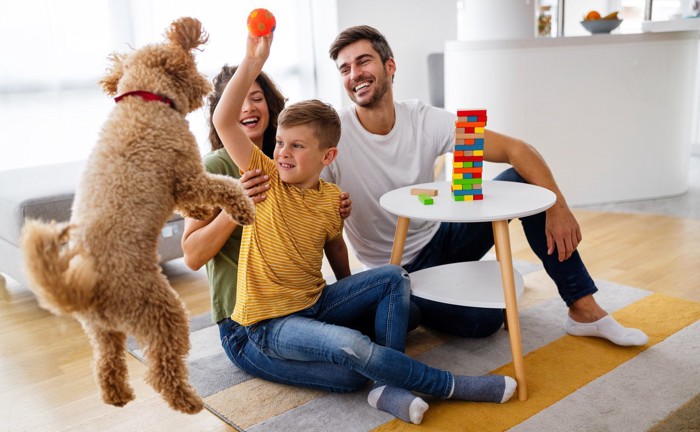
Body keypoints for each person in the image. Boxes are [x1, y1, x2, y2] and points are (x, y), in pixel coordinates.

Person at [244, 25, 648, 347]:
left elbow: (516, 149)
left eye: (363, 62)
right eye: (345, 69)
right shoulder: (334, 140)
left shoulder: (424, 118)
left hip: (444, 237)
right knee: (484, 321)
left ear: (390, 66)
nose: (354, 75)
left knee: (525, 178)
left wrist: (558, 207)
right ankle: (467, 285)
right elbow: (307, 207)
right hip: (396, 268)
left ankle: (584, 309)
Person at [210, 31, 517, 425]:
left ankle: (386, 387)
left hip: (315, 305)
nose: (283, 152)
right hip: (268, 325)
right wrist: (253, 61)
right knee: (351, 352)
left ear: (328, 156)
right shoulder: (265, 179)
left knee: (393, 278)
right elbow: (224, 120)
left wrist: (353, 296)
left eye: (297, 146)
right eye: (280, 144)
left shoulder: (329, 197)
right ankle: (450, 385)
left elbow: (336, 250)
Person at [181, 65, 362, 393]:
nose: (248, 107)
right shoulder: (213, 168)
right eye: (239, 101)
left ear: (271, 106)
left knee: (405, 313)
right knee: (351, 373)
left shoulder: (290, 158)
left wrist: (351, 294)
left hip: (301, 302)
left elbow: (326, 235)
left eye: (257, 98)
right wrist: (235, 208)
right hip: (245, 322)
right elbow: (192, 256)